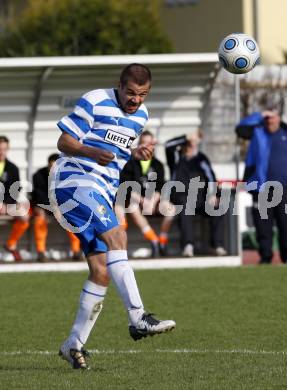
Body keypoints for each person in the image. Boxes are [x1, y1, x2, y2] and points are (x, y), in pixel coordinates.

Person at [51, 63, 176, 370]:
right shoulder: (94, 100)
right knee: (118, 235)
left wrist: (134, 154)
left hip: (103, 188)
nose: (136, 100)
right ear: (119, 86)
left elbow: (117, 150)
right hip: (74, 181)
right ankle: (138, 317)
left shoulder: (142, 115)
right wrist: (92, 153)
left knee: (101, 271)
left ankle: (73, 345)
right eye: (131, 93)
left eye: (143, 94)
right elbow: (63, 143)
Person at [236, 106, 287, 264]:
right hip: (261, 187)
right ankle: (265, 257)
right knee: (262, 225)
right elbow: (240, 128)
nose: (269, 121)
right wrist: (260, 114)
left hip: (284, 189)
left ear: (279, 118)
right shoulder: (257, 132)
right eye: (267, 118)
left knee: (285, 224)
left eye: (272, 117)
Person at [165, 130, 227, 257]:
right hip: (181, 197)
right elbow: (168, 145)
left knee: (217, 207)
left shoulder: (202, 159)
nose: (191, 146)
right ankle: (188, 245)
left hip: (201, 198)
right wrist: (185, 137)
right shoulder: (176, 157)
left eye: (194, 143)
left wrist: (213, 194)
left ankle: (217, 245)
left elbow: (211, 178)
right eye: (189, 143)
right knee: (186, 206)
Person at [116, 130, 175, 257]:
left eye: (149, 144)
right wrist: (143, 201)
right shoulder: (130, 163)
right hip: (136, 200)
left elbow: (160, 187)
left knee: (171, 209)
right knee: (131, 206)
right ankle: (153, 239)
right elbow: (126, 186)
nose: (146, 147)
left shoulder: (158, 164)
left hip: (153, 201)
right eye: (143, 143)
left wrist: (153, 201)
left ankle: (162, 242)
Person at [32, 153, 81, 262]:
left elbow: (69, 196)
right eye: (51, 167)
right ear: (47, 165)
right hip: (44, 207)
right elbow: (39, 196)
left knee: (72, 216)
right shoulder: (38, 175)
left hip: (61, 208)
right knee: (39, 217)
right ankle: (41, 251)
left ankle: (76, 250)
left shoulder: (67, 177)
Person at [0, 136, 30, 261]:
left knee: (25, 215)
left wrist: (5, 203)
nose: (1, 152)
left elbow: (16, 189)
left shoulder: (12, 168)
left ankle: (11, 244)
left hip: (7, 204)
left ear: (8, 149)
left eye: (3, 149)